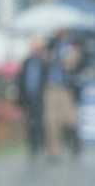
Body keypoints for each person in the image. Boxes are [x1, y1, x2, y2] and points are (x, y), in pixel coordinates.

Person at [42, 29, 83, 162]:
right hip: (51, 87)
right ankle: (54, 151)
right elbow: (44, 61)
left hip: (66, 88)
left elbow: (75, 64)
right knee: (51, 121)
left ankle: (75, 144)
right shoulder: (51, 43)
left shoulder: (73, 44)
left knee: (71, 120)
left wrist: (70, 62)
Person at [17, 37, 50, 159]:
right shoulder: (27, 62)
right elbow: (21, 80)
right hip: (29, 97)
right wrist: (21, 98)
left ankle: (41, 145)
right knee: (30, 123)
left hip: (40, 97)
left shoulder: (44, 63)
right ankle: (33, 147)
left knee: (40, 122)